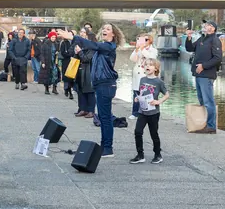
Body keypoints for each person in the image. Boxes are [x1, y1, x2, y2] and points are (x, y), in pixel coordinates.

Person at [60, 25, 123, 156]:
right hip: (100, 85)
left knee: (105, 118)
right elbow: (90, 47)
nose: (104, 30)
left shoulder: (110, 47)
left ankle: (107, 148)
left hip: (106, 85)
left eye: (108, 29)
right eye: (103, 28)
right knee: (103, 117)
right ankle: (104, 146)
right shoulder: (101, 46)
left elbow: (92, 45)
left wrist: (73, 36)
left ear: (114, 35)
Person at [185, 21, 223, 133]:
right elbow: (190, 48)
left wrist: (203, 66)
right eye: (207, 25)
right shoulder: (202, 39)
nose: (208, 26)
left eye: (211, 25)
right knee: (202, 100)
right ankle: (203, 123)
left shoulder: (215, 40)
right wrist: (189, 37)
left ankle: (211, 126)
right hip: (198, 74)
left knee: (208, 101)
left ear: (214, 29)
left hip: (207, 74)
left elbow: (217, 58)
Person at [130, 59, 168, 165]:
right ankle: (140, 155)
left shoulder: (158, 82)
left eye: (150, 65)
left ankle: (157, 154)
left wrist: (158, 101)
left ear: (155, 68)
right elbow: (142, 92)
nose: (147, 66)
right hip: (142, 111)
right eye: (146, 65)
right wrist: (138, 98)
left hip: (153, 113)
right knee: (138, 132)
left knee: (153, 134)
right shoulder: (142, 79)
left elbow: (167, 94)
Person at [129, 33, 158, 119]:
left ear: (150, 41)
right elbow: (132, 59)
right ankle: (135, 113)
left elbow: (151, 58)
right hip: (137, 74)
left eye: (146, 40)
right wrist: (137, 50)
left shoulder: (153, 50)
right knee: (136, 93)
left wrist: (142, 49)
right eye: (142, 40)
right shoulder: (139, 49)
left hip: (146, 74)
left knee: (146, 93)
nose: (144, 42)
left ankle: (146, 112)